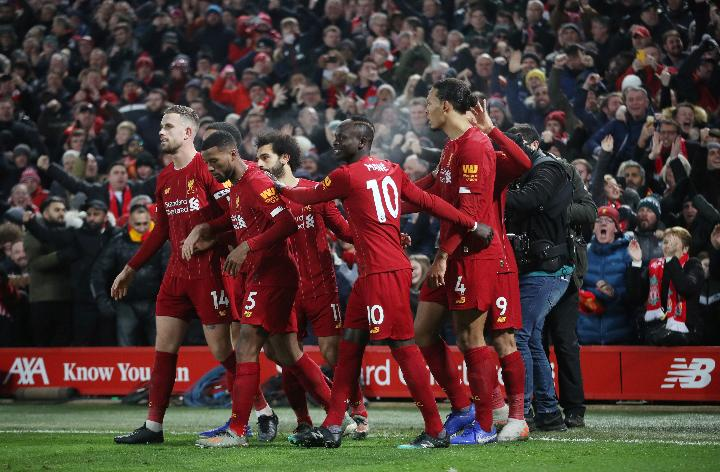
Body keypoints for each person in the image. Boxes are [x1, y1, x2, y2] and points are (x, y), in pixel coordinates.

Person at [275, 116, 492, 449]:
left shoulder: (345, 175)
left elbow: (308, 196)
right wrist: (471, 223)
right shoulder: (391, 169)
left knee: (403, 347)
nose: (335, 142)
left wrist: (272, 186)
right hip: (375, 273)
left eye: (342, 137)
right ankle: (333, 425)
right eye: (335, 136)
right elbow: (428, 201)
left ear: (362, 142)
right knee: (350, 346)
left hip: (382, 273)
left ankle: (435, 430)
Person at [181, 131, 334, 449]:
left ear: (232, 154)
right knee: (286, 353)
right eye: (206, 163)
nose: (210, 168)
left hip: (272, 275)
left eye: (214, 161)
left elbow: (287, 223)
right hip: (263, 274)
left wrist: (247, 246)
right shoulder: (238, 185)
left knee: (246, 347)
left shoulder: (255, 182)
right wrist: (209, 231)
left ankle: (237, 431)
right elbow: (239, 220)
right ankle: (337, 413)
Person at [412, 81, 530, 445]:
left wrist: (444, 255)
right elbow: (433, 188)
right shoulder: (452, 146)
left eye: (429, 102)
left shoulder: (478, 145)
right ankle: (468, 408)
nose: (425, 109)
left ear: (446, 105)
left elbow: (472, 211)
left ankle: (498, 420)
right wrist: (386, 195)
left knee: (489, 338)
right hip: (453, 251)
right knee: (424, 331)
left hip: (477, 253)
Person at [112, 106, 235, 445]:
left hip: (209, 274)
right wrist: (130, 268)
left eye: (168, 126)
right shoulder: (164, 177)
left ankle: (261, 410)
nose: (161, 132)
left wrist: (206, 232)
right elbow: (161, 230)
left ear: (187, 133)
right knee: (163, 349)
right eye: (161, 126)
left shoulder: (209, 169)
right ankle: (153, 427)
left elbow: (236, 216)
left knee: (222, 352)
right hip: (176, 276)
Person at [253, 132, 369, 440]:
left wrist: (381, 236)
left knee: (333, 353)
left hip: (321, 287)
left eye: (265, 157)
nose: (259, 164)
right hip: (284, 291)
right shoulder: (261, 197)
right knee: (288, 357)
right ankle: (303, 420)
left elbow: (344, 230)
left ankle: (358, 409)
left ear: (285, 158)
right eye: (257, 158)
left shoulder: (314, 191)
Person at [505, 123, 574, 432]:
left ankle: (523, 410)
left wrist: (492, 190)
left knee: (519, 333)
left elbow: (531, 199)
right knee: (530, 337)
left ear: (532, 144)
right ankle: (548, 412)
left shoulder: (550, 167)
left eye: (514, 147)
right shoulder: (527, 172)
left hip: (549, 268)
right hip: (537, 266)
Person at [92, 204, 167, 346]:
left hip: (155, 303)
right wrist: (102, 299)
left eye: (145, 223)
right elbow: (99, 271)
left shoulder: (162, 242)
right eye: (138, 224)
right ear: (130, 222)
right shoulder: (118, 242)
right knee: (126, 347)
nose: (142, 227)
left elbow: (168, 273)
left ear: (150, 220)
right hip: (126, 303)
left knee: (161, 345)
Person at [629, 226, 705, 345]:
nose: (668, 245)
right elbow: (636, 297)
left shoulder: (693, 265)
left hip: (685, 333)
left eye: (673, 242)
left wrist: (670, 259)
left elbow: (685, 288)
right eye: (665, 242)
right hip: (656, 331)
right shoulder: (654, 267)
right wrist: (636, 262)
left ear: (685, 249)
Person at [577, 206, 635, 345]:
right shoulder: (582, 254)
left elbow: (635, 295)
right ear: (594, 228)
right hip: (587, 334)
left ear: (616, 228)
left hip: (619, 335)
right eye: (599, 221)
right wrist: (584, 299)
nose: (603, 223)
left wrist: (614, 294)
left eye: (608, 221)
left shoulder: (628, 254)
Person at [23, 196, 73, 346]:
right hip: (43, 299)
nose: (61, 213)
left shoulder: (67, 233)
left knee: (63, 346)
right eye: (56, 210)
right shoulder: (33, 234)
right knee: (43, 345)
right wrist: (60, 256)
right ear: (45, 213)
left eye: (63, 210)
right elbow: (35, 264)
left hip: (66, 298)